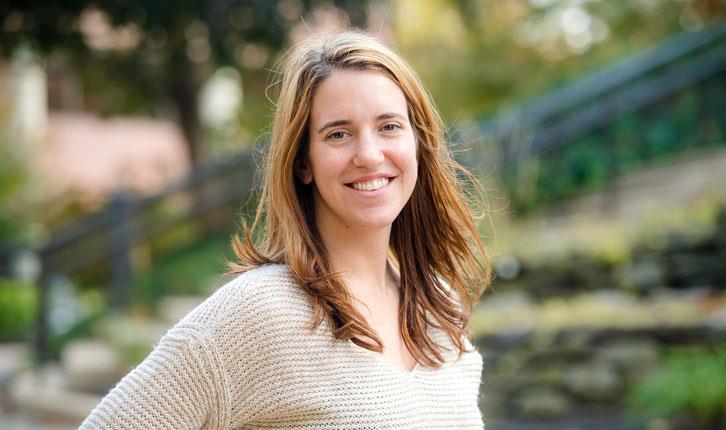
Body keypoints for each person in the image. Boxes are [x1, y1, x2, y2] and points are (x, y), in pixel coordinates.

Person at [80, 30, 490, 429]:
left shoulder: (440, 309)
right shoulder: (260, 311)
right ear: (303, 163)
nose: (368, 154)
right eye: (338, 134)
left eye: (389, 127)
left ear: (418, 144)